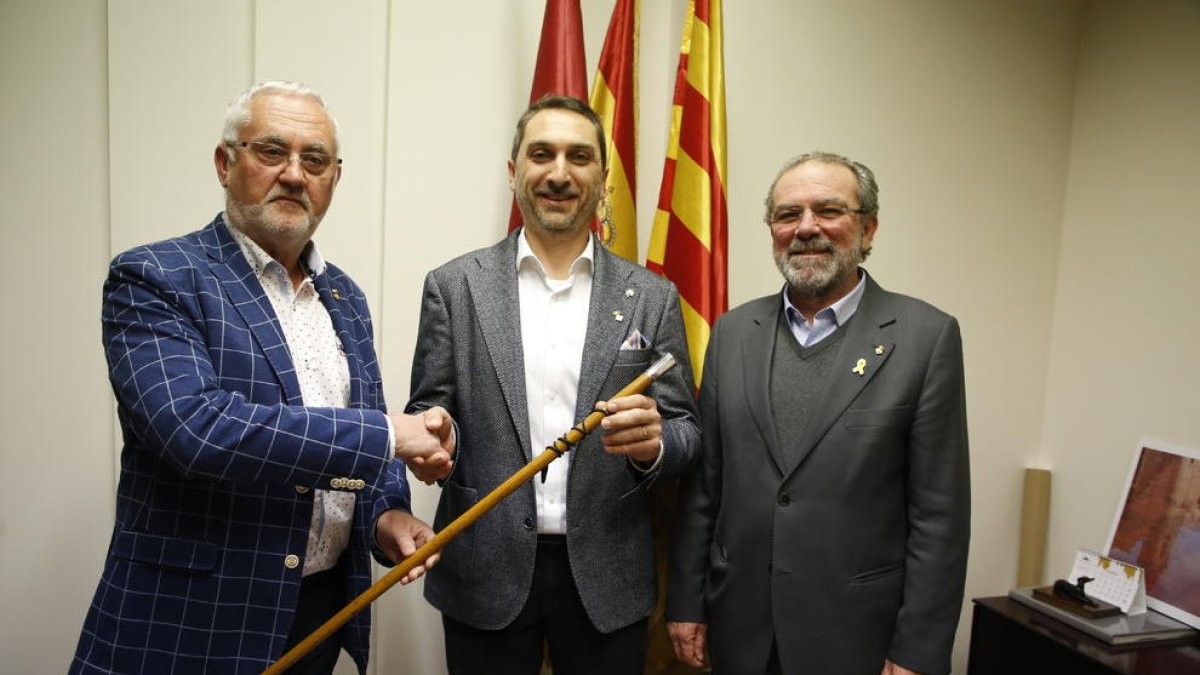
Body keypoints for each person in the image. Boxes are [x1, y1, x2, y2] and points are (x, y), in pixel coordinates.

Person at [70, 81, 453, 675]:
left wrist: (386, 518)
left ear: (335, 179)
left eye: (315, 160)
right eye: (272, 152)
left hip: (317, 618)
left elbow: (360, 462)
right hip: (189, 626)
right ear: (226, 163)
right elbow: (197, 430)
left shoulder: (345, 298)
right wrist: (390, 435)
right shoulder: (155, 277)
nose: (296, 175)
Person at [405, 95, 701, 675]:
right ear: (515, 171)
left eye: (579, 156)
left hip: (608, 577)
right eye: (541, 154)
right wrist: (437, 440)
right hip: (482, 569)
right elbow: (429, 413)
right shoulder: (453, 285)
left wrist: (656, 444)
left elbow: (687, 432)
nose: (560, 173)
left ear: (602, 176)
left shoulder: (653, 296)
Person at [667, 152, 970, 675]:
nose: (806, 228)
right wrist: (687, 603)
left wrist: (918, 647)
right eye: (788, 215)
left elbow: (938, 516)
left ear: (868, 227)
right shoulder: (733, 333)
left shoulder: (925, 337)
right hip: (740, 628)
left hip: (856, 636)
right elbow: (704, 490)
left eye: (828, 210)